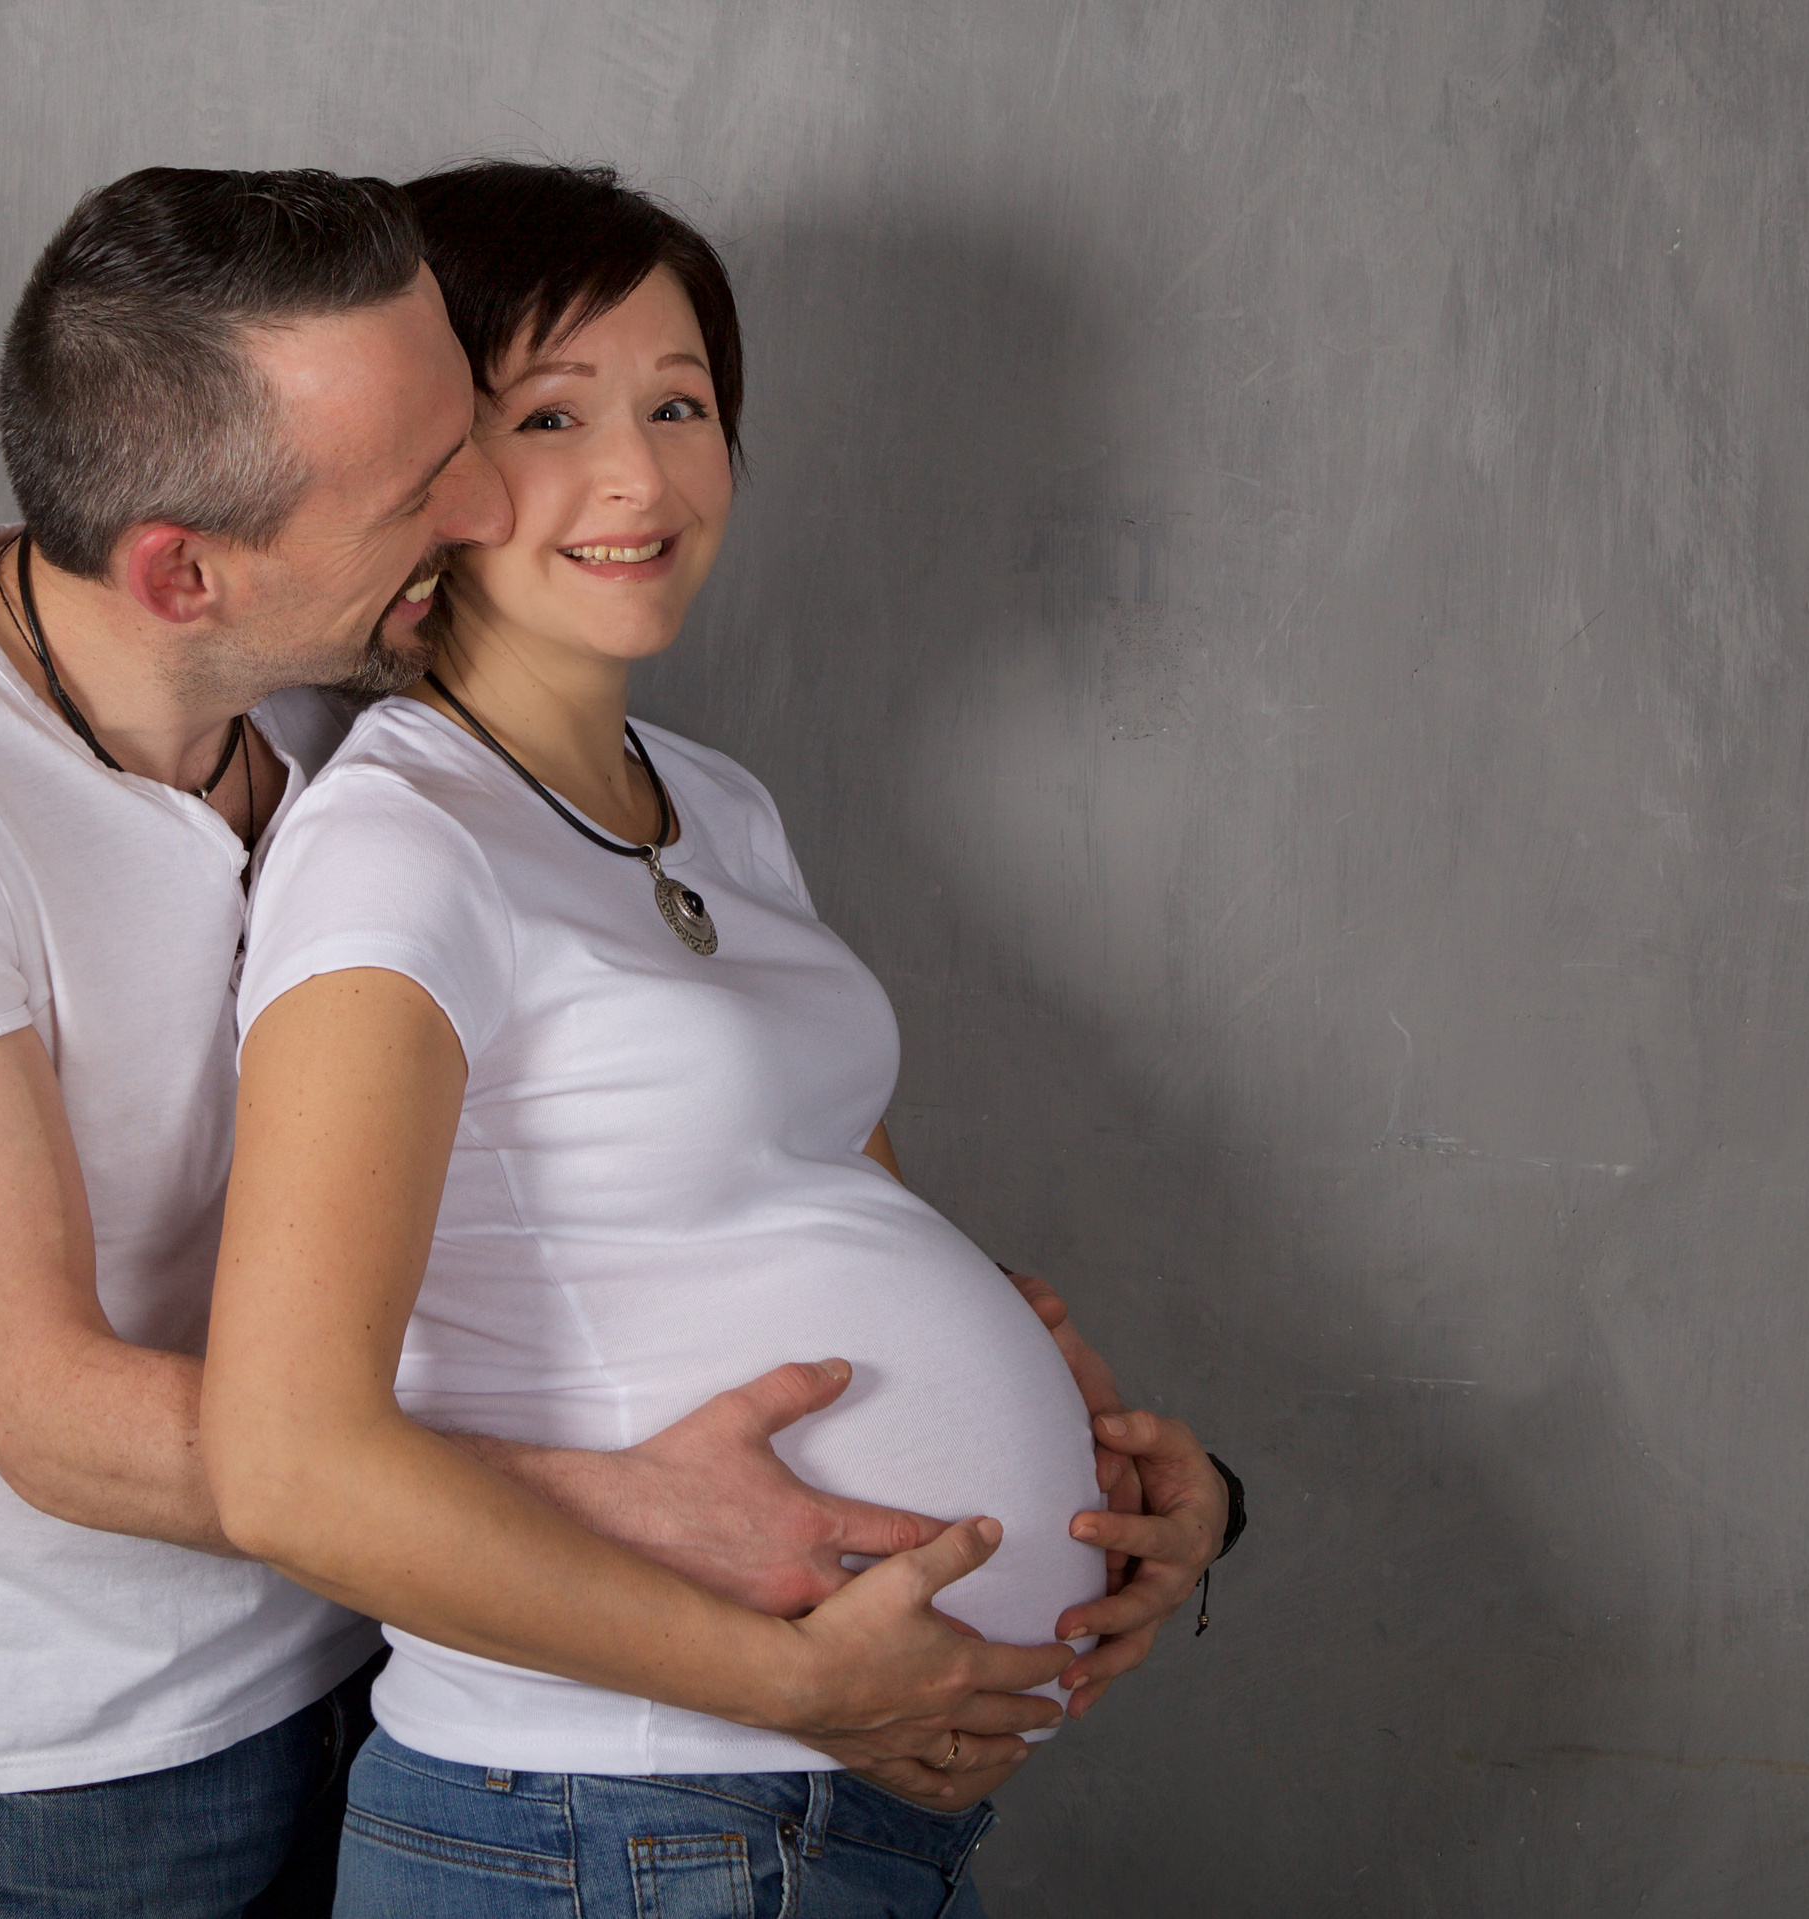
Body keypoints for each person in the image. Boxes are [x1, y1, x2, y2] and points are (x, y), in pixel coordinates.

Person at [0, 167, 1221, 1918]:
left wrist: (1073, 1437)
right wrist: (632, 1523)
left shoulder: (329, 683)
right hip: (77, 1732)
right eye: (438, 478)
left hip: (398, 1628)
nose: (492, 499)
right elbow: (51, 1417)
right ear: (187, 573)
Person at [205, 162, 1232, 1919]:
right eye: (551, 414)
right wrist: (791, 1680)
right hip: (612, 1816)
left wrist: (1138, 1491)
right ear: (430, 471)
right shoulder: (402, 845)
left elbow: (827, 1213)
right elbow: (287, 1462)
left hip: (791, 1819)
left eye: (682, 404)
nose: (641, 475)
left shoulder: (720, 808)